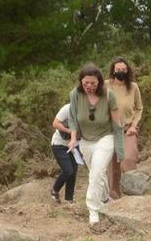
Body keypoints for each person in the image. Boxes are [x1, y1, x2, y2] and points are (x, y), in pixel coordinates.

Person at [67, 64, 124, 225]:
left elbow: (117, 122)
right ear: (81, 82)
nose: (90, 86)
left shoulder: (108, 96)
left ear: (99, 82)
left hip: (105, 137)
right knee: (97, 173)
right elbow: (72, 118)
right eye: (86, 83)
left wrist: (120, 146)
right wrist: (72, 139)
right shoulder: (75, 95)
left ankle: (93, 210)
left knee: (96, 173)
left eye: (93, 83)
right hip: (85, 140)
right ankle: (105, 199)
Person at [106, 57, 144, 200]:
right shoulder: (106, 85)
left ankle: (132, 195)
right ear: (113, 70)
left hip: (128, 129)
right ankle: (114, 197)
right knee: (113, 166)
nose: (121, 72)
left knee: (128, 158)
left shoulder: (133, 87)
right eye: (118, 70)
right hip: (110, 130)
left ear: (127, 71)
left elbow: (139, 108)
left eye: (123, 70)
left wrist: (134, 126)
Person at [49, 103, 78, 205]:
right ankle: (54, 190)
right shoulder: (68, 108)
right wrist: (69, 131)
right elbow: (55, 123)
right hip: (59, 144)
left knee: (73, 172)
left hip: (74, 145)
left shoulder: (88, 111)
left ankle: (69, 199)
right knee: (68, 170)